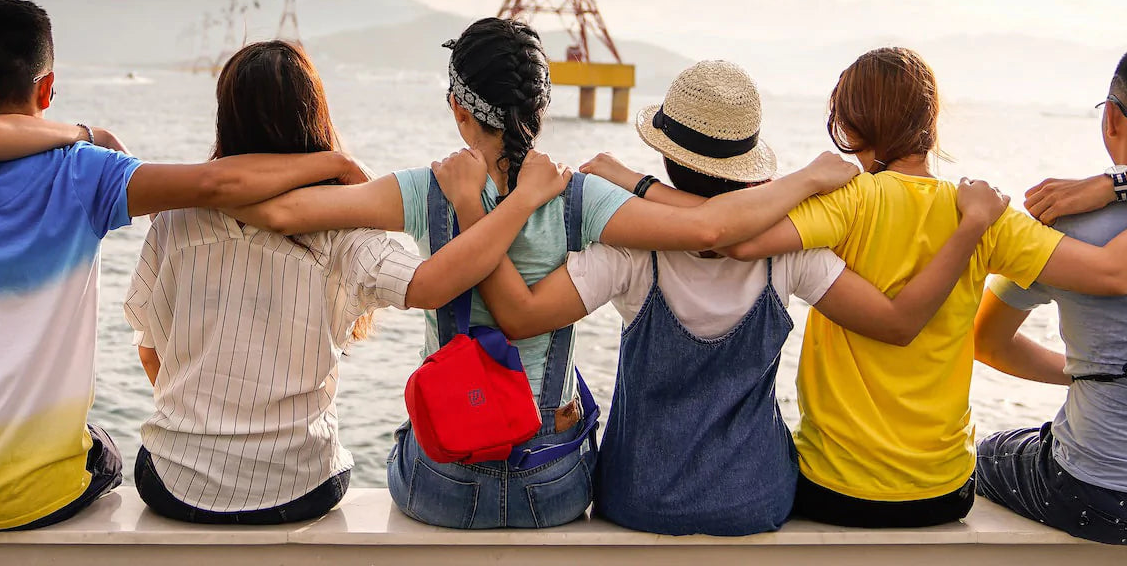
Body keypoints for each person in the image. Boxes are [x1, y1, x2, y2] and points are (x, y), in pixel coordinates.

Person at [230, 19, 859, 530]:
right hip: (551, 482)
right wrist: (806, 179)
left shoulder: (427, 189)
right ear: (542, 107)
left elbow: (280, 211)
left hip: (446, 482)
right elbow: (709, 229)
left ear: (459, 110)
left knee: (408, 434)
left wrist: (335, 162)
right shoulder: (583, 199)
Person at [469, 60, 1010, 536]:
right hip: (756, 500)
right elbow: (894, 322)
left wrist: (479, 214)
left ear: (666, 156)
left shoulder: (631, 250)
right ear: (747, 162)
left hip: (638, 497)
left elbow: (521, 316)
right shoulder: (792, 253)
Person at [599, 47, 1127, 528]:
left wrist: (635, 184)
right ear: (930, 123)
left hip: (835, 488)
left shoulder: (848, 201)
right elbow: (1111, 273)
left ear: (848, 127)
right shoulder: (987, 214)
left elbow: (726, 234)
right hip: (943, 494)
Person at [0, 0, 364, 531]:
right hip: (38, 495)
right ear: (47, 90)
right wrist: (336, 163)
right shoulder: (85, 173)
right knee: (103, 451)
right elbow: (218, 184)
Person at [123, 41, 571, 525]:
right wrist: (519, 202)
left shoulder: (176, 220)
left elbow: (151, 353)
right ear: (314, 116)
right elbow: (428, 284)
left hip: (176, 482)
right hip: (299, 485)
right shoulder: (343, 230)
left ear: (225, 120)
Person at [972, 52, 1127, 546]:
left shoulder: (1067, 229)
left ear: (1111, 118)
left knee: (988, 455)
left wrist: (1088, 372)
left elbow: (986, 341)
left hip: (1095, 493)